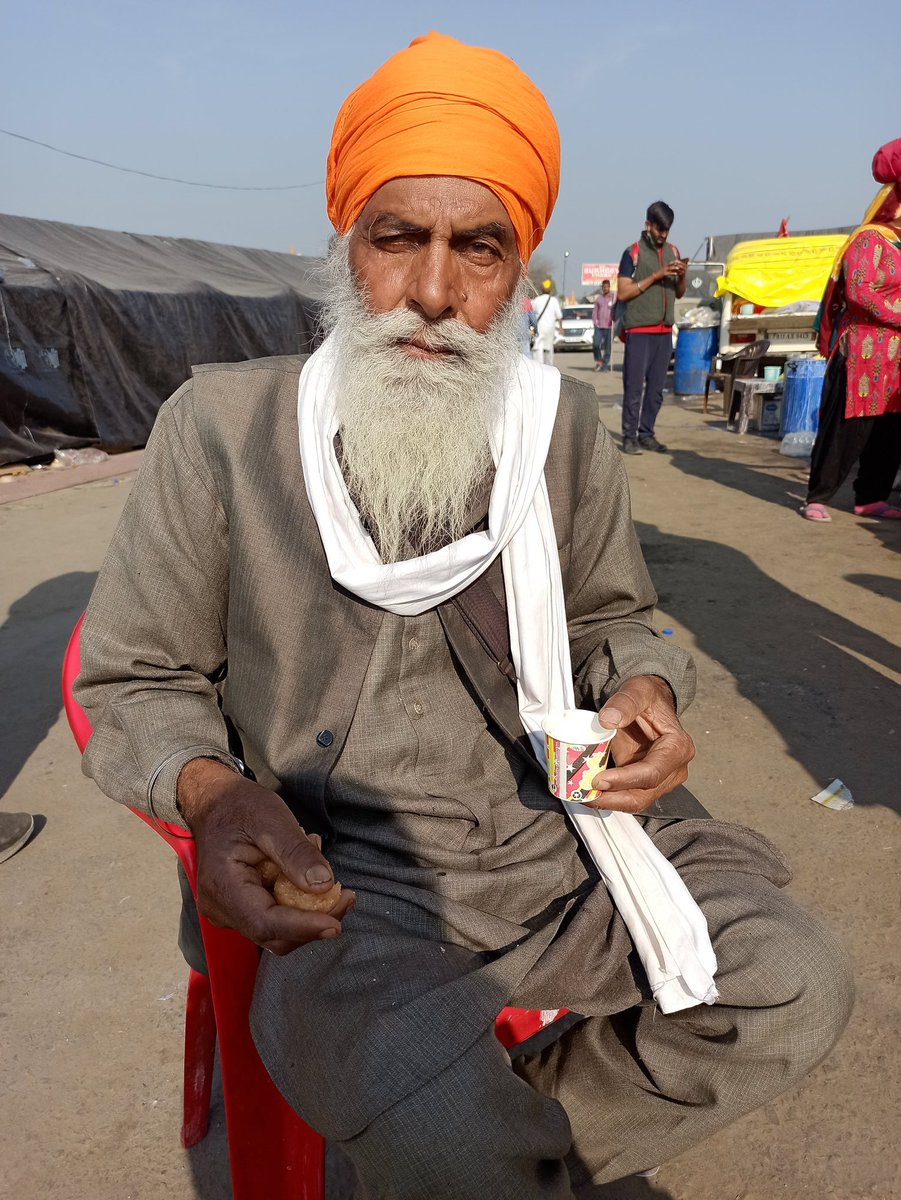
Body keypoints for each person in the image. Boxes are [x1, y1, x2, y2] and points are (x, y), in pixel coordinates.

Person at [75, 33, 852, 1198]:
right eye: (399, 240)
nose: (434, 292)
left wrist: (645, 689)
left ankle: (480, 1147)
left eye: (477, 249)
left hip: (564, 839)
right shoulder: (223, 428)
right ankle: (468, 1143)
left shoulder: (555, 428)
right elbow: (132, 679)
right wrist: (213, 790)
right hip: (345, 879)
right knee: (432, 1119)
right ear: (351, 246)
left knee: (795, 983)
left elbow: (617, 615)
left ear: (518, 265)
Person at [801, 137, 901, 522]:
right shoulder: (867, 240)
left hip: (895, 357)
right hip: (862, 349)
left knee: (889, 430)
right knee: (846, 428)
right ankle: (818, 496)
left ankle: (871, 497)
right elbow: (860, 292)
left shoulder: (898, 245)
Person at [616, 201, 687, 454]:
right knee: (634, 388)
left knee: (656, 390)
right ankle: (629, 436)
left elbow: (679, 293)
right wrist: (657, 275)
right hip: (639, 331)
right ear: (648, 225)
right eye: (659, 229)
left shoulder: (673, 251)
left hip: (664, 332)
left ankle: (647, 433)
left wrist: (682, 274)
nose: (663, 235)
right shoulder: (632, 253)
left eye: (667, 229)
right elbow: (623, 292)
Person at [531, 279, 562, 365]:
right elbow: (559, 316)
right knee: (548, 348)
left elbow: (531, 314)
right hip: (550, 328)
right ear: (550, 290)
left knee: (538, 347)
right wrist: (561, 328)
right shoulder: (554, 300)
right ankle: (549, 367)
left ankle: (539, 366)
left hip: (539, 328)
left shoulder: (537, 300)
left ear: (541, 289)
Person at [591, 279, 615, 371]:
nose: (605, 288)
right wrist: (595, 321)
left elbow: (617, 309)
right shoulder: (599, 299)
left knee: (608, 347)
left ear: (609, 287)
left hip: (609, 327)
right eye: (603, 287)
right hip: (599, 326)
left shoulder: (613, 297)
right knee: (596, 344)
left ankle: (605, 364)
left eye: (607, 287)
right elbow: (595, 312)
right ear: (602, 288)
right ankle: (599, 361)